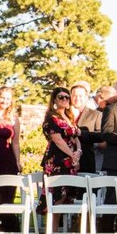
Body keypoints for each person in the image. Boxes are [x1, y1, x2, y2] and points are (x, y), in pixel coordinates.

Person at [40, 87, 82, 224]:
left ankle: (56, 230)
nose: (64, 100)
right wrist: (72, 155)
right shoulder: (51, 118)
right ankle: (51, 230)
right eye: (61, 97)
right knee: (56, 194)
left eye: (67, 97)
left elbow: (75, 138)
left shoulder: (70, 118)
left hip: (71, 161)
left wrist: (78, 152)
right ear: (54, 100)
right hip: (57, 160)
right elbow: (57, 140)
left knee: (65, 194)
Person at [0, 85, 21, 232]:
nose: (5, 101)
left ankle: (7, 224)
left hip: (8, 158)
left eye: (8, 98)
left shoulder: (13, 118)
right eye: (2, 97)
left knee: (8, 191)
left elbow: (15, 142)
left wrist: (18, 161)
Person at [70, 83, 104, 175]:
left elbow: (101, 136)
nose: (77, 98)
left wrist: (82, 133)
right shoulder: (63, 114)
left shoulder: (96, 115)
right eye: (74, 95)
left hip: (86, 161)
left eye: (80, 96)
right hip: (65, 161)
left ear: (86, 97)